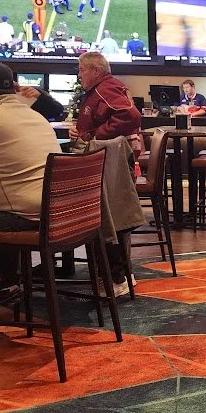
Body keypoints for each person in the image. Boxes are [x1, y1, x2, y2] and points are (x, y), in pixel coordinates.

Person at [0, 62, 60, 307]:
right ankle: (6, 280)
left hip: (27, 216)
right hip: (58, 213)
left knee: (1, 208)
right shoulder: (34, 115)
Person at [69, 53, 142, 294]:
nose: (79, 75)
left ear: (96, 71)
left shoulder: (106, 88)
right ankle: (120, 276)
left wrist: (94, 136)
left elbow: (131, 116)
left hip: (108, 166)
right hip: (110, 164)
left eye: (82, 70)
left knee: (110, 219)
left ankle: (117, 278)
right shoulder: (105, 88)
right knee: (115, 218)